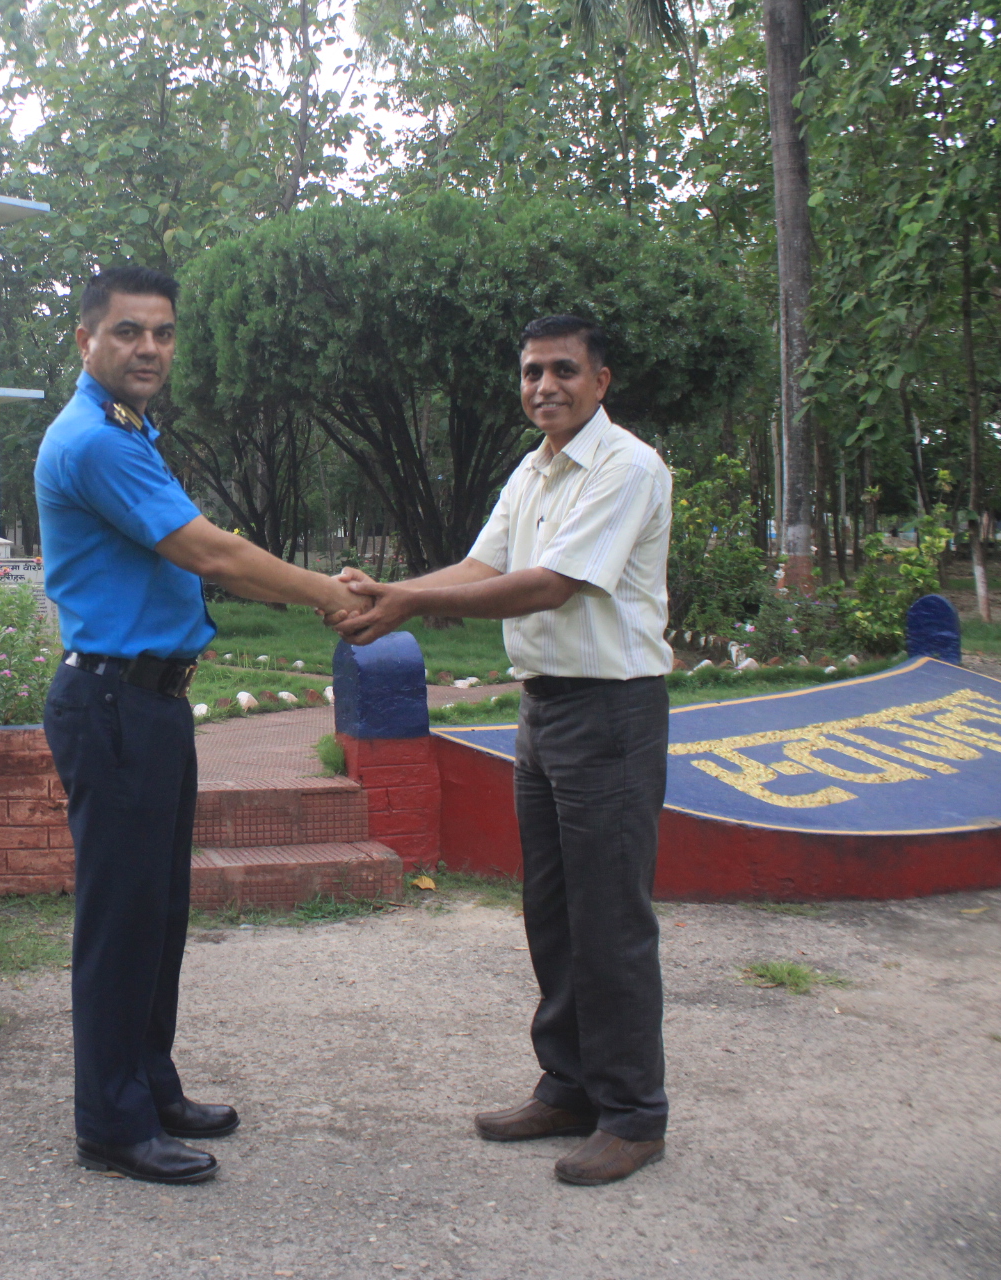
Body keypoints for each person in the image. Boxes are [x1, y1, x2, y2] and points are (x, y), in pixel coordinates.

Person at [34, 264, 360, 1185]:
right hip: (114, 703)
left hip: (148, 703)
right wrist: (330, 595)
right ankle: (111, 1122)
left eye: (163, 332)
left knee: (158, 912)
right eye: (128, 331)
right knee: (121, 921)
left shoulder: (130, 432)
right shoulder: (94, 442)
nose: (149, 348)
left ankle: (149, 1085)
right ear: (86, 340)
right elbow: (209, 552)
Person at [334, 315, 674, 1186]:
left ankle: (633, 1114)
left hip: (612, 712)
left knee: (610, 918)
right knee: (553, 912)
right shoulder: (534, 470)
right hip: (546, 709)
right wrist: (393, 594)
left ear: (601, 381)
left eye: (564, 370)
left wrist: (405, 602)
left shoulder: (626, 466)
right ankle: (569, 1087)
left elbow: (551, 586)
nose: (544, 386)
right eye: (531, 372)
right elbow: (483, 568)